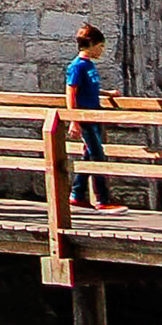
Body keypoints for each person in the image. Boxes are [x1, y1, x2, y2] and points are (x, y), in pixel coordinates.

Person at [65, 23, 114, 207]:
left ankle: (77, 194)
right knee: (98, 156)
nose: (102, 51)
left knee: (89, 155)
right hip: (84, 118)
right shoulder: (77, 66)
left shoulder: (89, 66)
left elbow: (90, 89)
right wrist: (74, 120)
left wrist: (107, 94)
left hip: (94, 116)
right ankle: (102, 199)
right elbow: (71, 92)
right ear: (91, 44)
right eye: (100, 47)